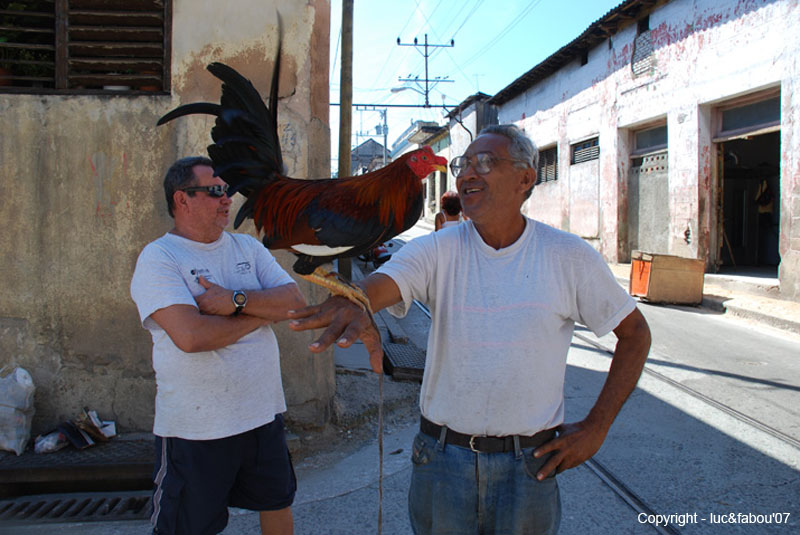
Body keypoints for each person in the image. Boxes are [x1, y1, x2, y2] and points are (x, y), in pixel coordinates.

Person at [288, 125, 651, 534]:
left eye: (485, 162)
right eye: (463, 164)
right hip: (442, 460)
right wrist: (352, 300)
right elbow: (379, 287)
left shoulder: (568, 256)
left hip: (529, 465)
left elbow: (635, 334)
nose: (466, 174)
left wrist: (596, 427)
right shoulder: (436, 249)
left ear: (526, 178)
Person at [130, 156, 306, 535]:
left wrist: (235, 301)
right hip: (196, 429)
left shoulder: (248, 248)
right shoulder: (159, 258)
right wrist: (262, 312)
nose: (227, 199)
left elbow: (295, 302)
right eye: (214, 191)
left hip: (261, 416)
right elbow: (192, 337)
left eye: (228, 191)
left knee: (276, 504)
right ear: (182, 200)